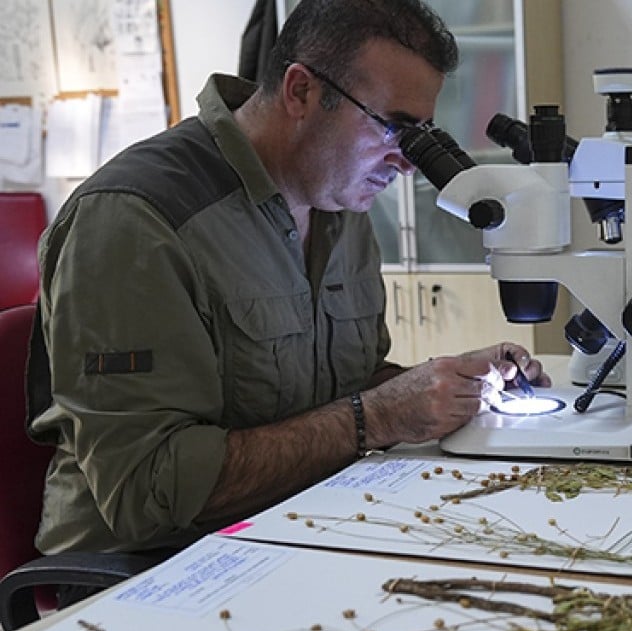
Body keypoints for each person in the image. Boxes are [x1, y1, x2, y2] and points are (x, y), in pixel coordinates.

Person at [26, 0, 548, 556]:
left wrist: (451, 387)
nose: (406, 162)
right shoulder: (136, 221)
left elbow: (345, 386)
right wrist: (379, 416)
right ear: (301, 91)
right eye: (394, 128)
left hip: (292, 521)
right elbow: (148, 493)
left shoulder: (338, 208)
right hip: (148, 569)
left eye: (422, 135)